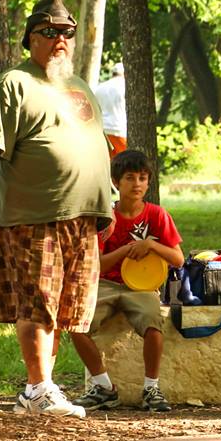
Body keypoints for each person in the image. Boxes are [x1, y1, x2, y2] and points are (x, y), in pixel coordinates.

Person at [0, 0, 113, 418]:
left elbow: (92, 145)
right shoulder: (13, 83)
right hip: (34, 215)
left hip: (81, 217)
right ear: (30, 38)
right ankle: (37, 388)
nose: (60, 40)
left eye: (66, 32)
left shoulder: (79, 86)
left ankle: (42, 387)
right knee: (38, 302)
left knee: (68, 307)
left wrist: (107, 201)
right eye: (49, 32)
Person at [70, 149, 185, 412]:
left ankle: (151, 389)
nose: (137, 184)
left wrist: (150, 246)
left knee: (153, 324)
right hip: (107, 284)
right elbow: (97, 265)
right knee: (76, 324)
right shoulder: (105, 217)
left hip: (142, 286)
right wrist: (126, 251)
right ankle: (103, 387)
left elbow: (177, 259)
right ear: (115, 182)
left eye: (143, 178)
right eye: (130, 178)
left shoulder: (157, 215)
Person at [95, 62, 126, 157]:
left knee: (108, 163)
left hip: (102, 131)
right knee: (124, 164)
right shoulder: (125, 86)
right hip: (119, 130)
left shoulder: (99, 87)